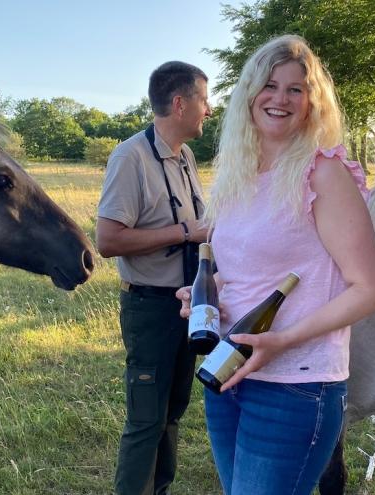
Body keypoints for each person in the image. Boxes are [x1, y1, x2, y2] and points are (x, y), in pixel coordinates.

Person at [177, 35, 375, 495]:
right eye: (269, 85)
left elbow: (370, 288)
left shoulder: (324, 173)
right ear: (249, 94)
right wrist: (204, 297)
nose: (280, 98)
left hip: (295, 387)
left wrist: (284, 340)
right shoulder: (239, 173)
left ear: (313, 103)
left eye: (296, 89)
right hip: (228, 369)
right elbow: (239, 271)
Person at [96, 61, 212, 495]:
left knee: (173, 411)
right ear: (180, 103)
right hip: (150, 307)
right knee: (146, 419)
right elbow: (107, 240)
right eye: (204, 98)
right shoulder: (131, 156)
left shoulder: (185, 156)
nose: (210, 108)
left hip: (188, 304)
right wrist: (187, 232)